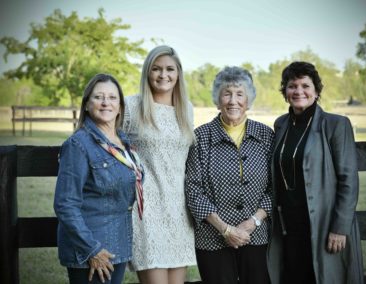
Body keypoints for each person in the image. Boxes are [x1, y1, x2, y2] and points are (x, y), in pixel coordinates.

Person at [267, 61, 364, 284]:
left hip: (323, 223)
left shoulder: (336, 124)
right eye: (292, 86)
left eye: (305, 85)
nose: (298, 91)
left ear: (316, 91)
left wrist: (340, 228)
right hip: (289, 225)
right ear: (285, 91)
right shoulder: (281, 124)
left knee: (323, 277)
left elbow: (348, 179)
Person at [185, 66, 275, 284]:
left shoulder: (265, 135)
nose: (233, 101)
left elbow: (274, 187)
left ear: (249, 101)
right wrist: (225, 229)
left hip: (256, 235)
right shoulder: (201, 137)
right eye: (227, 93)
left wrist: (253, 222)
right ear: (217, 100)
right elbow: (193, 189)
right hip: (212, 238)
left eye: (240, 94)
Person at [54, 73, 143, 284]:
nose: (106, 103)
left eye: (112, 98)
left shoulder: (123, 142)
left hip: (117, 243)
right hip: (92, 249)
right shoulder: (78, 145)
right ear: (86, 104)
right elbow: (66, 204)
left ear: (120, 106)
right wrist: (92, 250)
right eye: (98, 97)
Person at [123, 45, 196, 284]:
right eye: (156, 69)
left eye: (169, 69)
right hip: (146, 210)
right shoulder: (131, 107)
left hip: (179, 210)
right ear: (147, 72)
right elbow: (105, 142)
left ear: (178, 74)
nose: (163, 75)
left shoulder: (186, 110)